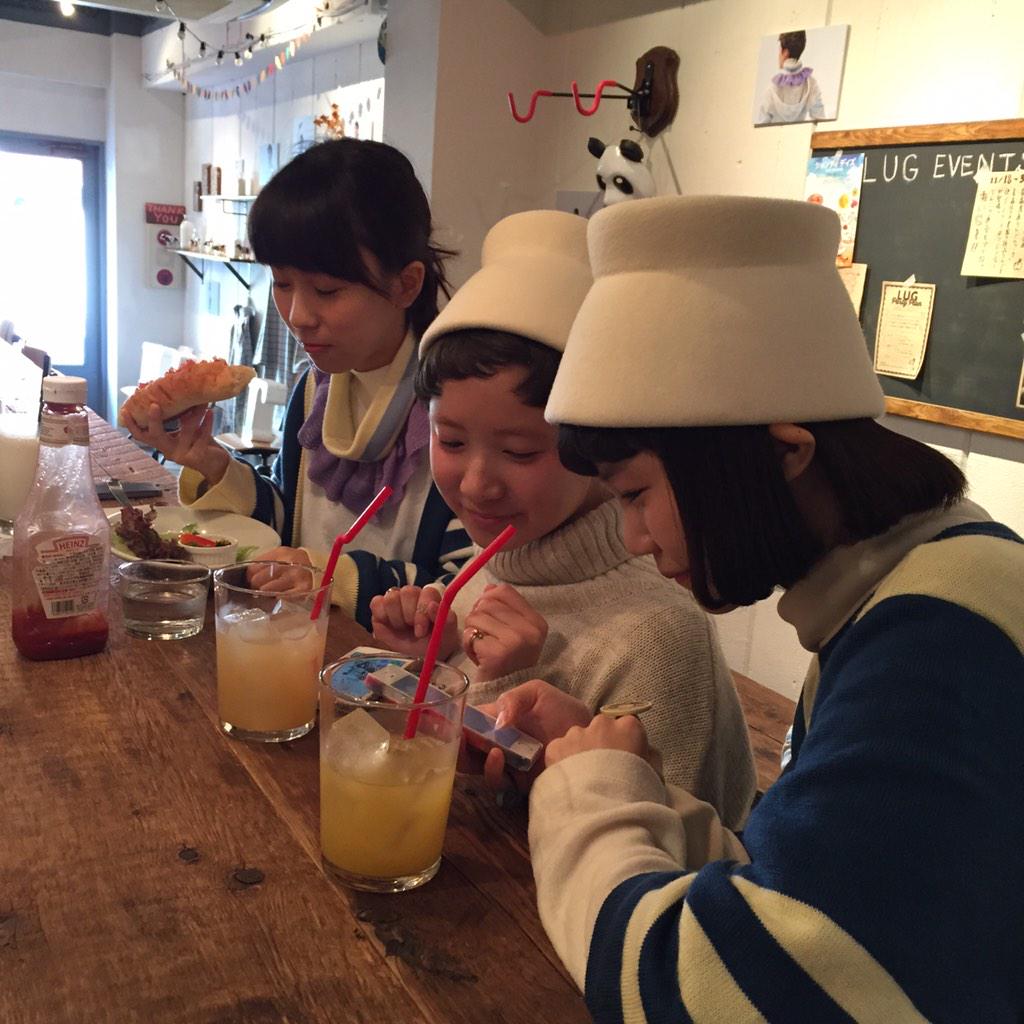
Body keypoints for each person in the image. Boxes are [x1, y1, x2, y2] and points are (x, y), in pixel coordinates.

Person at [495, 196, 1023, 1021]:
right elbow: (819, 900)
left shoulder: (940, 638)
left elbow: (713, 992)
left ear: (785, 455)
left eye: (637, 494)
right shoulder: (913, 592)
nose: (633, 537)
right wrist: (618, 776)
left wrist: (590, 797)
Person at [368, 210, 755, 817]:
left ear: (591, 446)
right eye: (450, 441)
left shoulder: (659, 637)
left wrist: (503, 685)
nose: (475, 484)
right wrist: (435, 663)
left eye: (520, 451)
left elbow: (669, 860)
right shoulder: (502, 560)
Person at [122, 140, 470, 626]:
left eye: (327, 290)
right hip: (302, 650)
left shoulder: (458, 412)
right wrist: (211, 463)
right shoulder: (315, 389)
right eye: (282, 284)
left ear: (405, 285)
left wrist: (338, 578)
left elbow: (469, 586)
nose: (298, 316)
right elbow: (288, 531)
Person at [757, 29, 825, 124]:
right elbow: (820, 119)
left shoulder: (772, 86)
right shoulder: (811, 83)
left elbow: (761, 123)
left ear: (785, 52)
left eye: (779, 50)